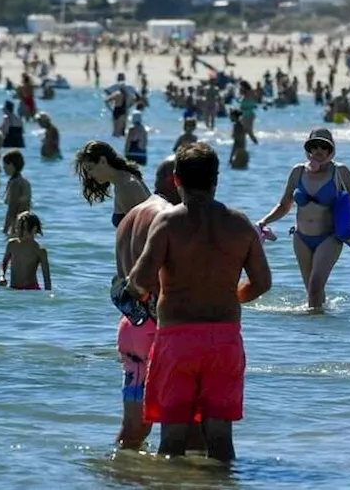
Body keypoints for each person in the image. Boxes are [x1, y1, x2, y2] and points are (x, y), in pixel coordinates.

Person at [125, 142, 272, 462]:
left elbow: (141, 280)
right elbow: (262, 283)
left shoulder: (168, 223)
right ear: (216, 179)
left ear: (176, 179)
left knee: (173, 439)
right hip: (224, 338)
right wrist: (233, 296)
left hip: (177, 339)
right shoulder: (240, 223)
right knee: (220, 437)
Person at [255, 128, 350, 311]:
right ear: (308, 149)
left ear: (331, 150)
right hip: (301, 238)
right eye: (314, 146)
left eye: (324, 146)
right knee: (312, 292)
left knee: (315, 285)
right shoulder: (298, 172)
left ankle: (317, 326)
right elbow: (284, 205)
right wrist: (263, 222)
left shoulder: (340, 171)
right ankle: (315, 331)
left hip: (329, 237)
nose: (319, 151)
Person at [113, 158, 179, 451]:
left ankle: (121, 475)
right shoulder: (167, 215)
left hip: (130, 329)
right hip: (158, 327)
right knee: (181, 428)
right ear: (174, 180)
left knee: (132, 431)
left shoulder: (128, 217)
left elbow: (119, 282)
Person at [73, 140, 151, 227]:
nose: (89, 176)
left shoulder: (126, 185)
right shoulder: (123, 181)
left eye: (90, 168)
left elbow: (141, 230)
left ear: (103, 161)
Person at [0, 211, 51, 291]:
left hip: (31, 290)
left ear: (34, 229)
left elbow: (47, 279)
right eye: (17, 229)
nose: (19, 233)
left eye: (23, 230)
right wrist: (1, 276)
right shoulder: (12, 244)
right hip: (13, 289)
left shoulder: (39, 250)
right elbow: (4, 263)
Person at [2, 150, 31, 236]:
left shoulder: (15, 183)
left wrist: (5, 229)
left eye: (5, 165)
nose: (3, 168)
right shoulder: (24, 181)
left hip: (18, 226)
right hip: (27, 224)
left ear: (11, 165)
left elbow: (12, 208)